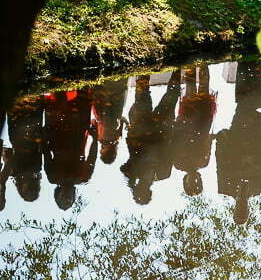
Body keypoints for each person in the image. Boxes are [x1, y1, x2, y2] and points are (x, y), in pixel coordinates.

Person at [215, 59, 261, 224]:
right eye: (244, 213)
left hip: (238, 135)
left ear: (234, 210)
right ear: (248, 210)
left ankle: (244, 62)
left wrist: (222, 139)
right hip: (257, 133)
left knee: (243, 103)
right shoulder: (258, 188)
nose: (242, 209)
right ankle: (257, 64)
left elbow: (221, 161)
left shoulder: (226, 187)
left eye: (239, 212)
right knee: (257, 98)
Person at [121, 71, 181, 205]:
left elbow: (124, 168)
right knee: (168, 95)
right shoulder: (162, 174)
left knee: (146, 95)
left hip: (144, 127)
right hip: (159, 128)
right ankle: (177, 67)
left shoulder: (134, 173)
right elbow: (171, 150)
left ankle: (149, 67)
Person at [43, 88, 97, 210]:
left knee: (60, 99)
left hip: (58, 137)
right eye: (70, 199)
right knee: (80, 97)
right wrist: (95, 137)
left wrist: (44, 136)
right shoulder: (83, 177)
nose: (67, 197)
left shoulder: (54, 178)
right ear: (74, 196)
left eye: (64, 199)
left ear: (58, 195)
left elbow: (46, 153)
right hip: (76, 135)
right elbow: (92, 157)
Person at [172, 65, 217, 197]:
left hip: (188, 122)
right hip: (203, 123)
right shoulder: (204, 163)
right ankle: (203, 63)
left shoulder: (179, 164)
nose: (194, 180)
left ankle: (191, 62)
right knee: (203, 88)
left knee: (191, 88)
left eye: (191, 183)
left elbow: (175, 141)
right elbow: (208, 142)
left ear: (185, 182)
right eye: (197, 182)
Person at [6, 96, 45, 202]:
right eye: (33, 191)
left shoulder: (34, 169)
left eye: (28, 191)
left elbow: (7, 153)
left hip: (23, 136)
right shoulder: (17, 172)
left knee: (20, 108)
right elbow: (7, 153)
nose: (30, 189)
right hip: (25, 136)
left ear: (22, 190)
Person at [92, 77, 129, 166]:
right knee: (108, 80)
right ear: (107, 152)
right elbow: (107, 119)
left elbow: (121, 119)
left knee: (119, 80)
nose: (100, 151)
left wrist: (127, 124)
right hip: (106, 103)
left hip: (115, 105)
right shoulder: (106, 138)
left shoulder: (115, 139)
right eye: (102, 153)